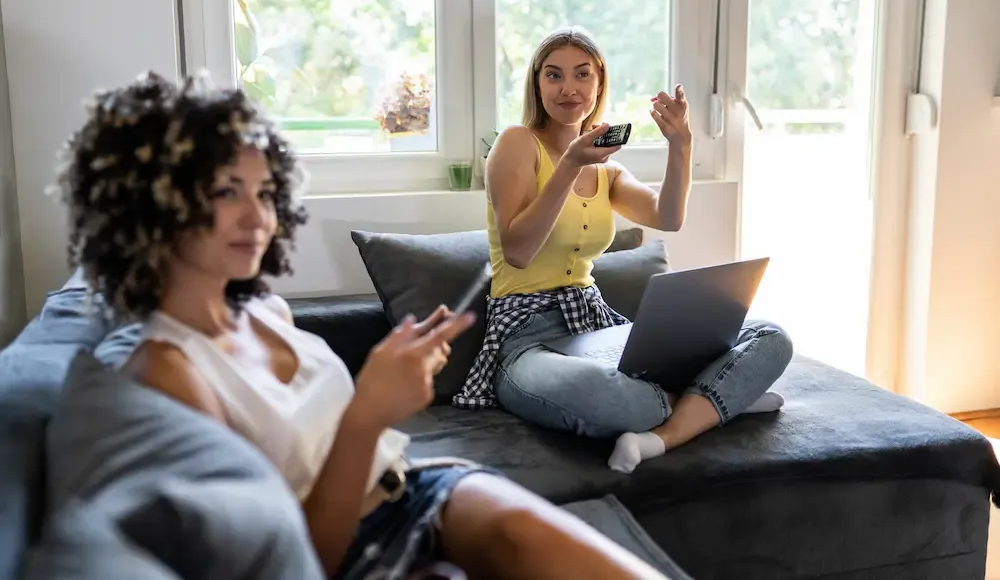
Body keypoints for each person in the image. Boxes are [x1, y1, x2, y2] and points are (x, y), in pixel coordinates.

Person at [53, 71, 675, 580]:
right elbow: (297, 559)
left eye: (264, 193)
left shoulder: (264, 310)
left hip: (419, 488)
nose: (257, 217)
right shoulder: (167, 372)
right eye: (225, 193)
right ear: (149, 207)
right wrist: (368, 412)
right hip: (348, 549)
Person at [454, 27, 793, 474]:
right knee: (611, 397)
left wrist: (681, 145)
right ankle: (715, 403)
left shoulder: (607, 171)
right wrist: (571, 162)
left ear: (599, 84)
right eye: (554, 75)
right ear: (537, 84)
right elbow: (518, 250)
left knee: (770, 338)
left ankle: (661, 437)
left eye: (582, 75)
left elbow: (668, 216)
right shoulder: (517, 144)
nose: (568, 88)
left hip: (596, 328)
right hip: (525, 340)